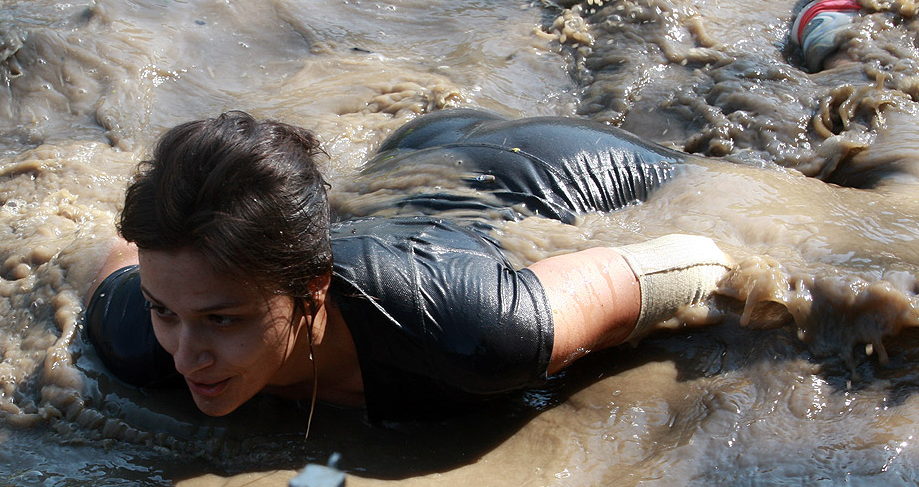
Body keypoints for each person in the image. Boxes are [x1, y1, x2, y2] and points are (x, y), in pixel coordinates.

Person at [84, 109, 731, 425]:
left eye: (221, 320)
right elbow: (114, 254)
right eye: (164, 310)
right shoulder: (136, 332)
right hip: (408, 164)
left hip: (565, 170)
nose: (184, 355)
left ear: (311, 291)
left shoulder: (473, 329)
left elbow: (695, 261)